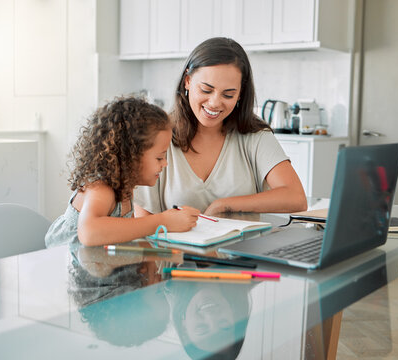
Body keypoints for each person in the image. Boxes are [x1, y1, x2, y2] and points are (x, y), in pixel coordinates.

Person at [134, 37, 307, 217]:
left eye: (228, 94)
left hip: (243, 246)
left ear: (240, 94)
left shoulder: (255, 136)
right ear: (187, 81)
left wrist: (224, 205)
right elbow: (143, 224)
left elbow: (296, 198)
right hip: (176, 247)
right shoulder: (159, 135)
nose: (215, 103)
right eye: (206, 90)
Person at [45, 96, 200, 248]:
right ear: (130, 156)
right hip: (63, 264)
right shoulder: (101, 188)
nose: (165, 163)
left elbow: (128, 232)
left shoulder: (125, 188)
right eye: (159, 157)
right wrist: (163, 221)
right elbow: (88, 233)